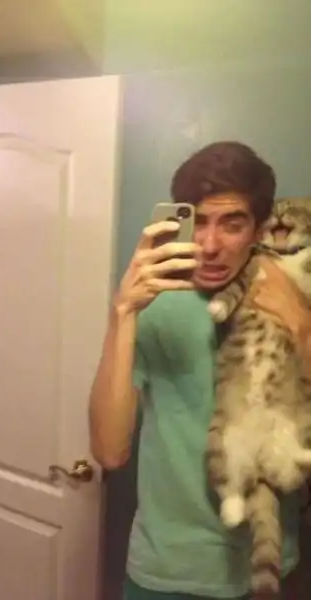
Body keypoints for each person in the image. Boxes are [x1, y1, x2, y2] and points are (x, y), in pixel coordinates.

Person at [89, 141, 311, 600]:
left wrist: (302, 327)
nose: (209, 246)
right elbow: (109, 451)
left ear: (259, 229)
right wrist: (122, 313)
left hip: (272, 563)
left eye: (232, 224)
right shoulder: (154, 305)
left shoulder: (297, 294)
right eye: (199, 222)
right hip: (166, 572)